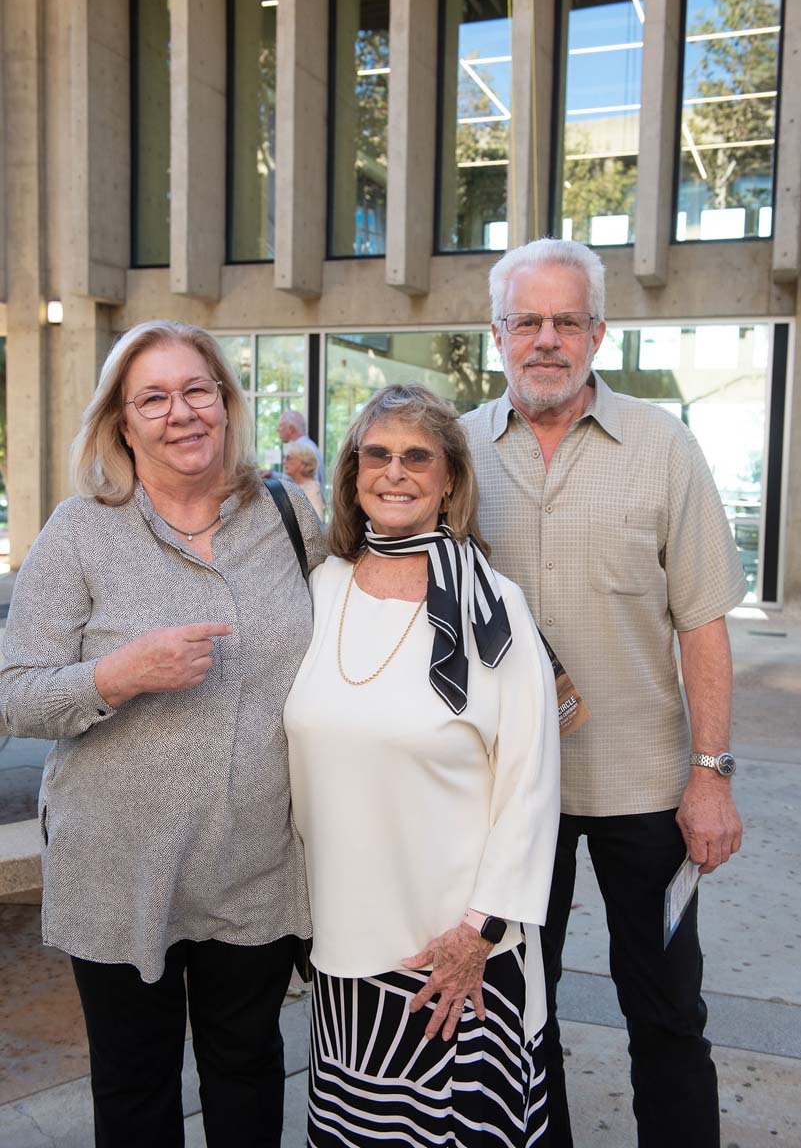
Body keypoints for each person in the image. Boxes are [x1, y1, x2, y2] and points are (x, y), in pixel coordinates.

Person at [0, 319, 326, 1148]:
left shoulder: (285, 515)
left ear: (225, 402)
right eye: (153, 398)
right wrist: (118, 674)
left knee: (248, 1068)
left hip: (254, 865)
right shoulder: (80, 531)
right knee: (136, 1083)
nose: (180, 412)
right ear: (121, 421)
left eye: (195, 390)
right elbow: (13, 697)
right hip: (119, 868)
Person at [461, 238, 747, 1148]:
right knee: (516, 1017)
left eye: (566, 321)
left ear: (598, 332)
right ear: (497, 334)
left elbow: (701, 623)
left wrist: (710, 775)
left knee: (667, 1012)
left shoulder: (663, 446)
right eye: (526, 322)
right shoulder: (454, 452)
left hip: (644, 788)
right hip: (507, 797)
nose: (546, 340)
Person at [285, 383, 561, 1147]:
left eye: (417, 457)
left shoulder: (494, 607)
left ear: (449, 479)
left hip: (456, 950)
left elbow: (531, 784)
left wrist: (478, 932)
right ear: (352, 475)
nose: (395, 472)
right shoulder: (318, 591)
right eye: (376, 455)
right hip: (343, 941)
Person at [278, 408, 326, 488]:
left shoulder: (305, 449)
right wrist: (273, 475)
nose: (278, 429)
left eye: (280, 426)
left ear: (291, 429)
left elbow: (310, 480)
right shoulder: (307, 446)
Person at [283, 441, 325, 520]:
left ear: (303, 463)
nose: (284, 462)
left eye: (289, 458)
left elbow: (316, 522)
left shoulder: (311, 489)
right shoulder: (301, 486)